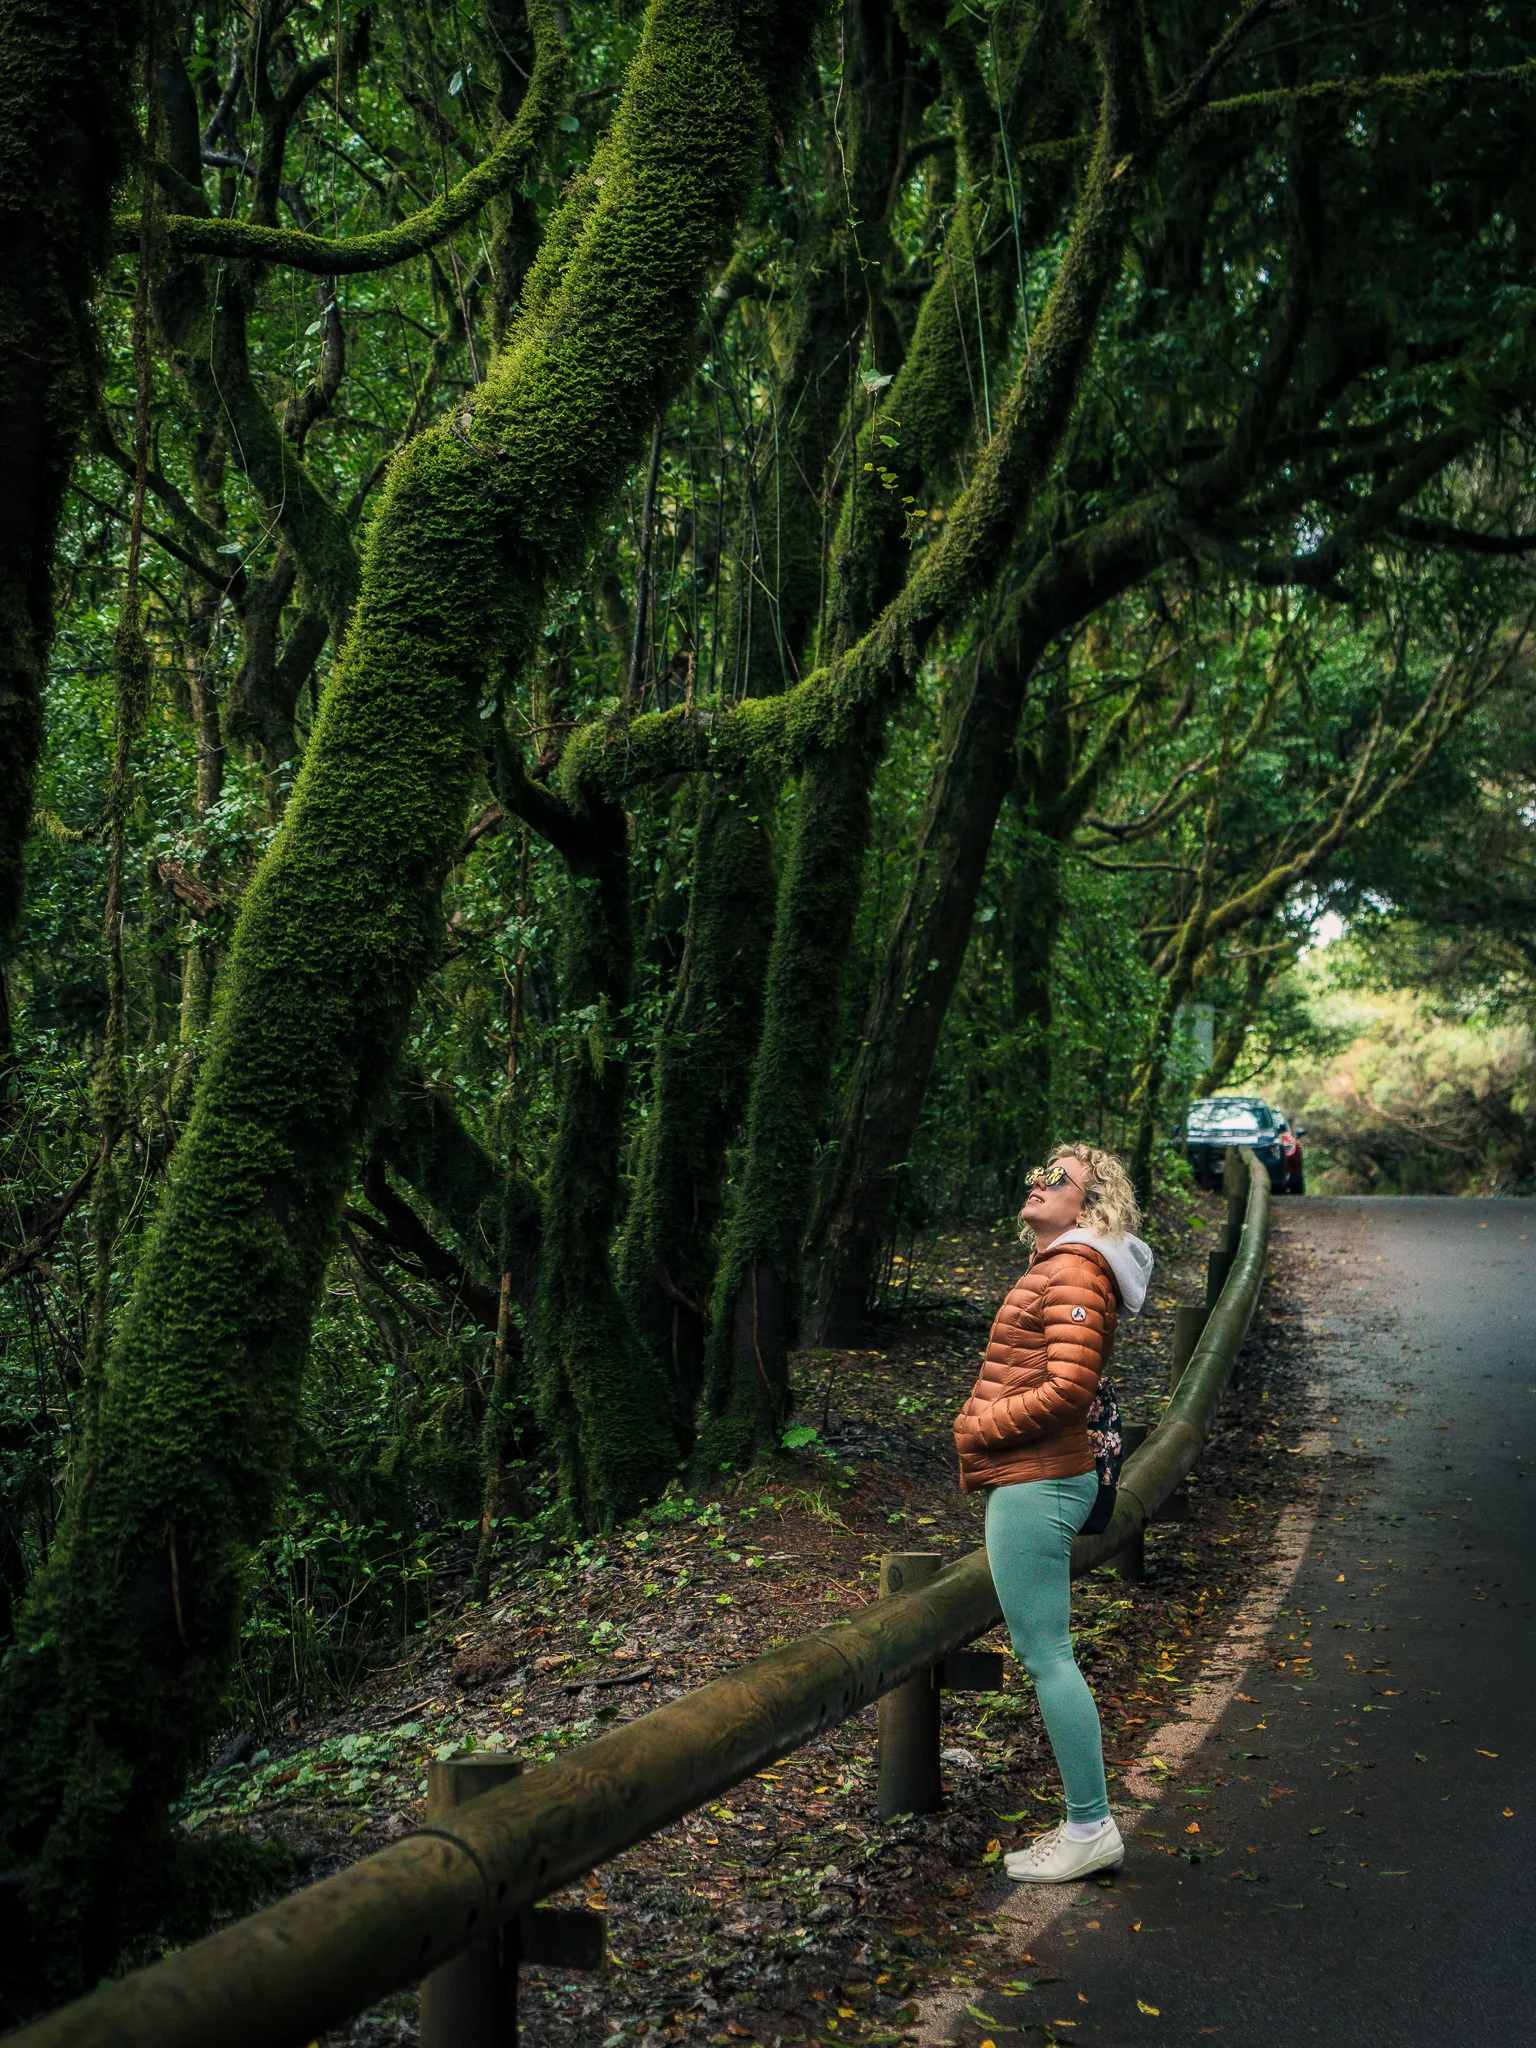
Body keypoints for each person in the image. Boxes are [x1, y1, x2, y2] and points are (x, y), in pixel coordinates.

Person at [953, 1142, 1153, 1882]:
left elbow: (1069, 1389)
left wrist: (979, 1428)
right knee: (1048, 1654)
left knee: (1046, 1655)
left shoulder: (1073, 1266)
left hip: (1041, 1478)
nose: (1037, 1183)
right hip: (1040, 1474)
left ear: (1090, 1203)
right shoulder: (1066, 1263)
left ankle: (1090, 1825)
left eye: (1056, 1178)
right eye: (1036, 1170)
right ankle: (1087, 1822)